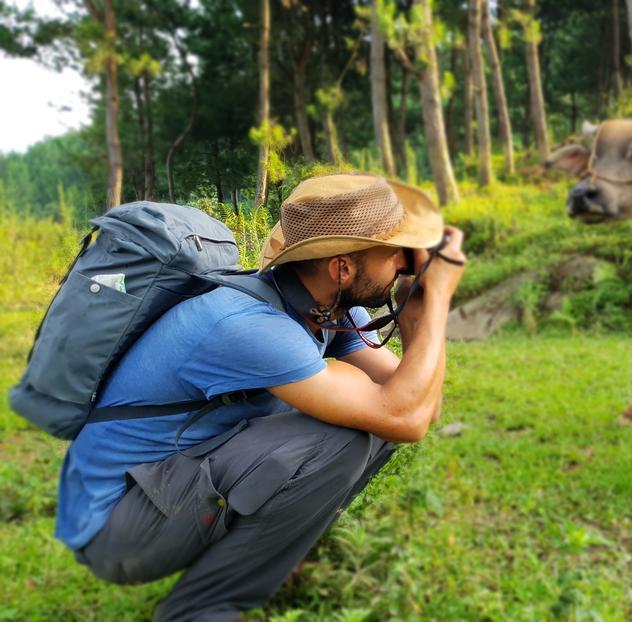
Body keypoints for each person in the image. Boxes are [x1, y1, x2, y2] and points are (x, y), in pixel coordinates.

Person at [55, 173, 466, 621]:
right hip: (113, 529)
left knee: (371, 423)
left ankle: (269, 556)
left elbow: (417, 404)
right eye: (397, 254)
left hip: (161, 487)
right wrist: (439, 299)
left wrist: (419, 311)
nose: (408, 265)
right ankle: (202, 609)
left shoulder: (326, 308)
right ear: (343, 267)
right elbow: (406, 417)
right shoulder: (251, 326)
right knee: (346, 436)